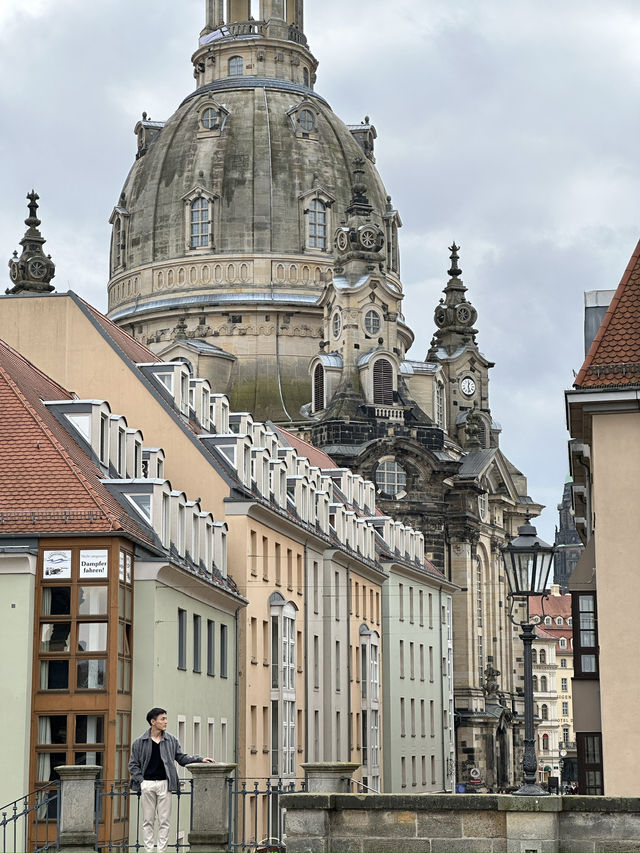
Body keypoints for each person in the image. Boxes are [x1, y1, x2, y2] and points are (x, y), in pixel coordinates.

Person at [129, 707, 214, 852]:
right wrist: (141, 781)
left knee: (164, 822)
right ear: (153, 721)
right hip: (147, 784)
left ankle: (161, 851)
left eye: (166, 718)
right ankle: (148, 851)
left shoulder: (171, 740)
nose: (166, 722)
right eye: (162, 719)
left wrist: (200, 759)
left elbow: (181, 758)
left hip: (165, 784)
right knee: (148, 821)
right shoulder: (139, 742)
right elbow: (133, 765)